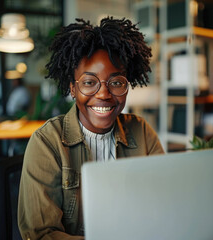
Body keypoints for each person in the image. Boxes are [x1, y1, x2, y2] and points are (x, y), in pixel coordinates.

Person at [18, 17, 164, 239]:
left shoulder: (141, 131)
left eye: (116, 82)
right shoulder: (47, 143)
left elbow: (165, 204)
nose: (104, 94)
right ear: (72, 89)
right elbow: (42, 234)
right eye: (89, 82)